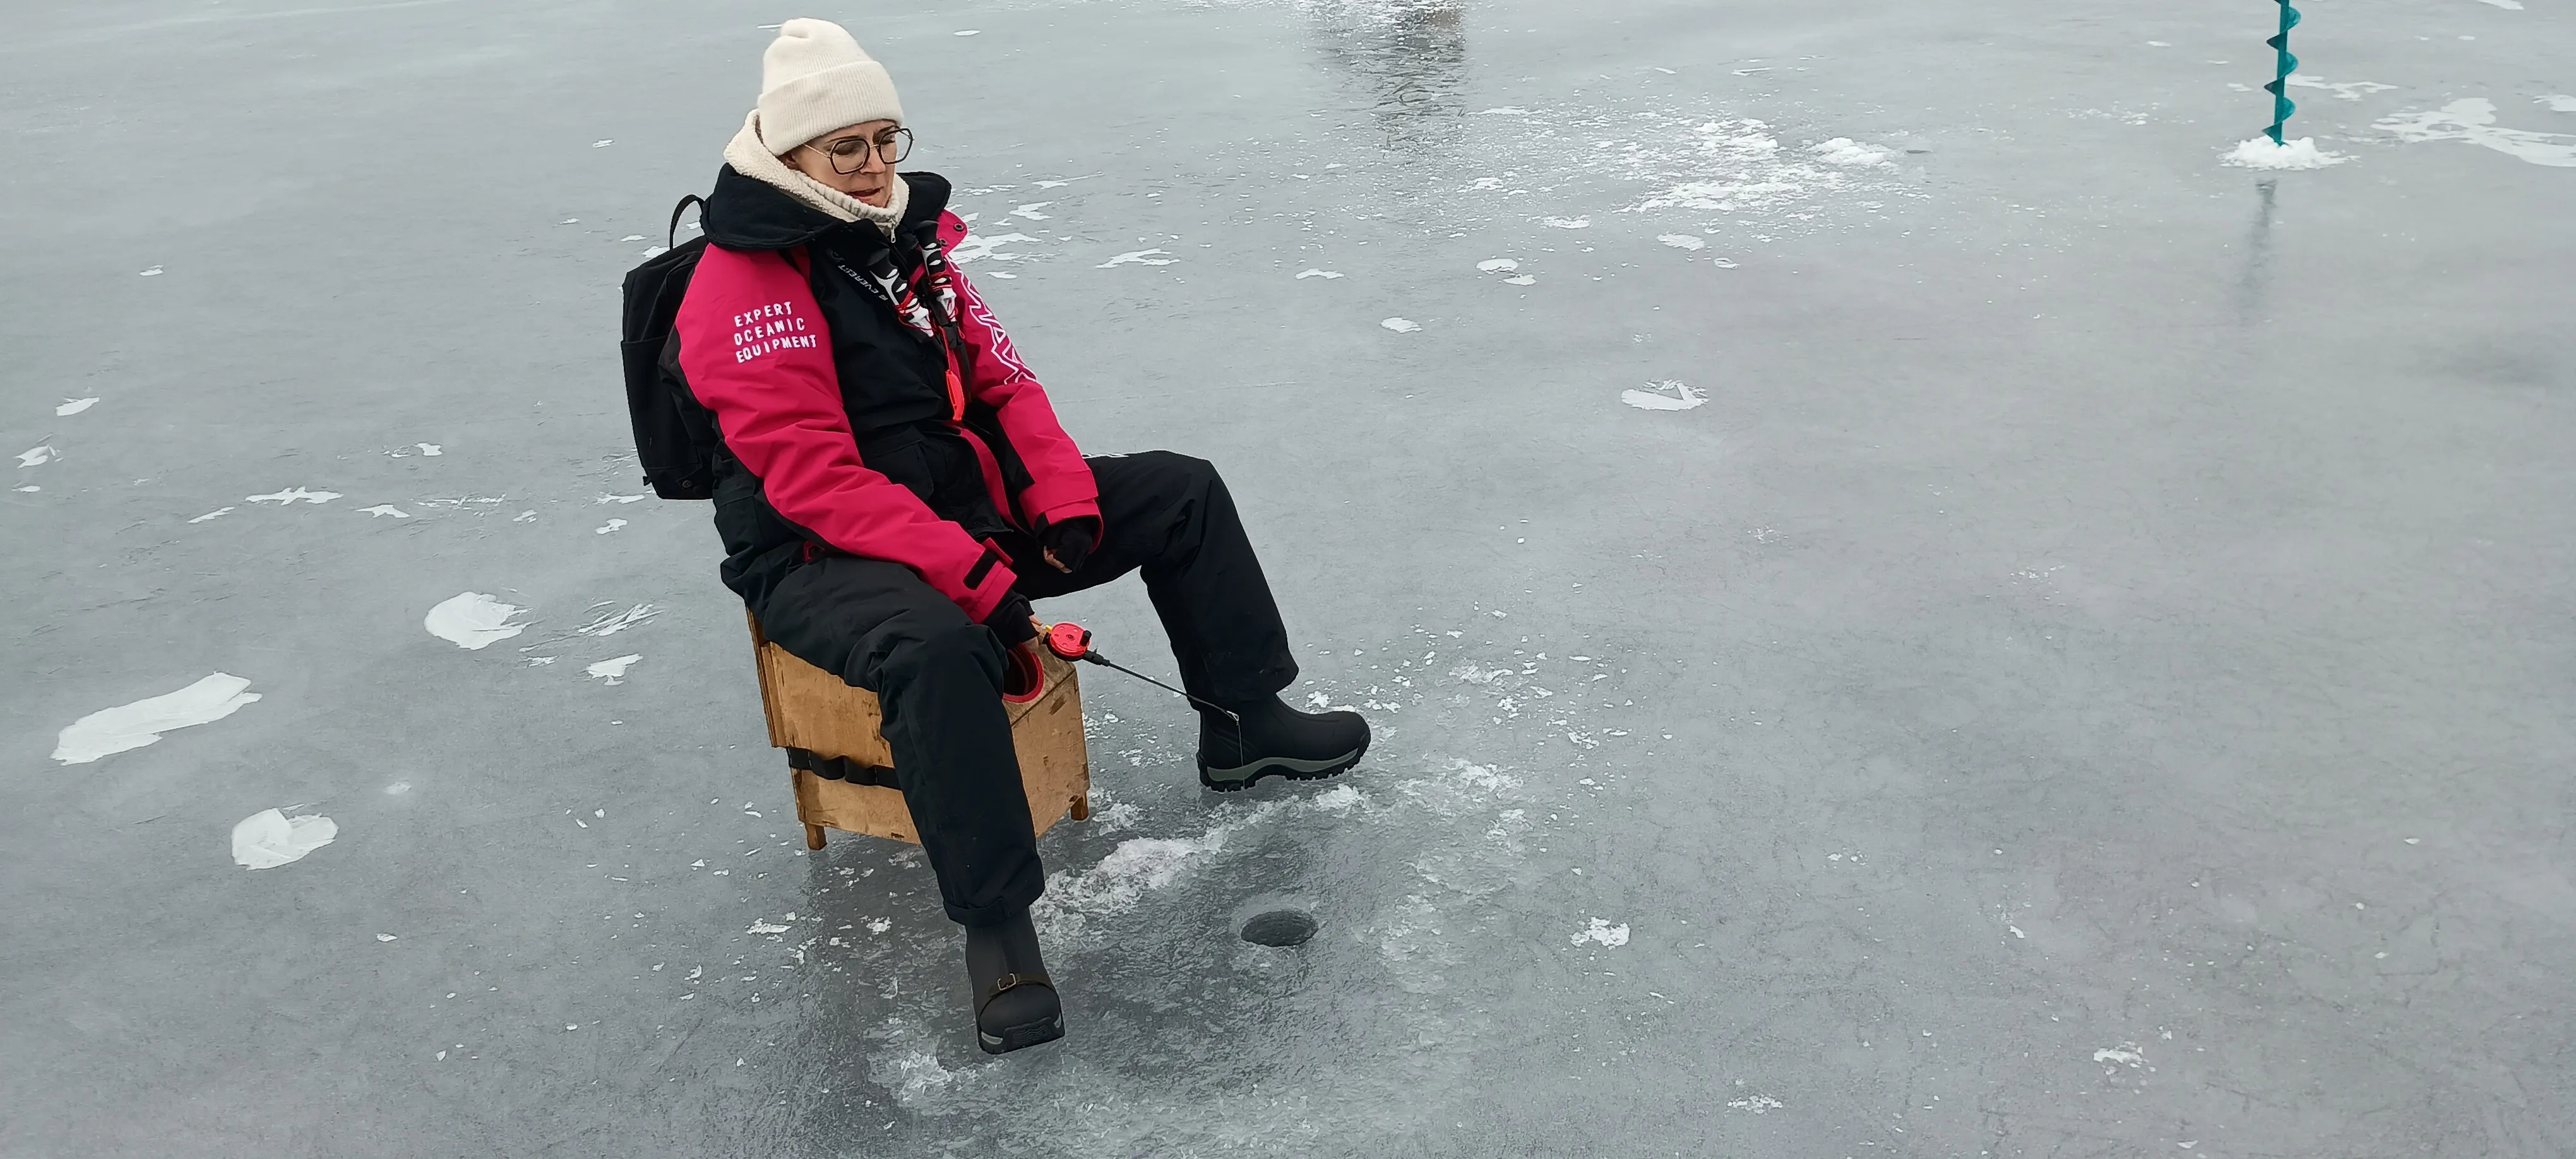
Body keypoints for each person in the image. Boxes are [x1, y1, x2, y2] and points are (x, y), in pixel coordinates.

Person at [672, 18, 1371, 1054]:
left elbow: (1004, 380)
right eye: (844, 148)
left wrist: (1060, 498)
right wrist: (974, 577)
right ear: (789, 155)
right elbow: (816, 479)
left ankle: (1246, 724)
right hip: (817, 552)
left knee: (1180, 493)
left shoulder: (905, 243)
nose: (872, 166)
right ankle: (998, 930)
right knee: (939, 647)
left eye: (885, 139)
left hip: (954, 506)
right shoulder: (745, 285)